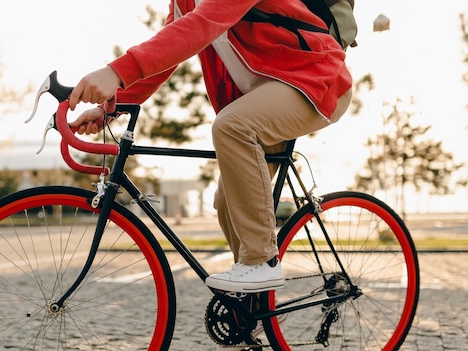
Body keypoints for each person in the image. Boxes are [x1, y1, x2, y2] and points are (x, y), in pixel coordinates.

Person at [68, 0, 352, 294]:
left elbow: (200, 26)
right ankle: (252, 307)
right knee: (227, 202)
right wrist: (110, 108)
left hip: (316, 79)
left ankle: (261, 262)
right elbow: (172, 46)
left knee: (232, 127)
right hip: (267, 94)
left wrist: (117, 71)